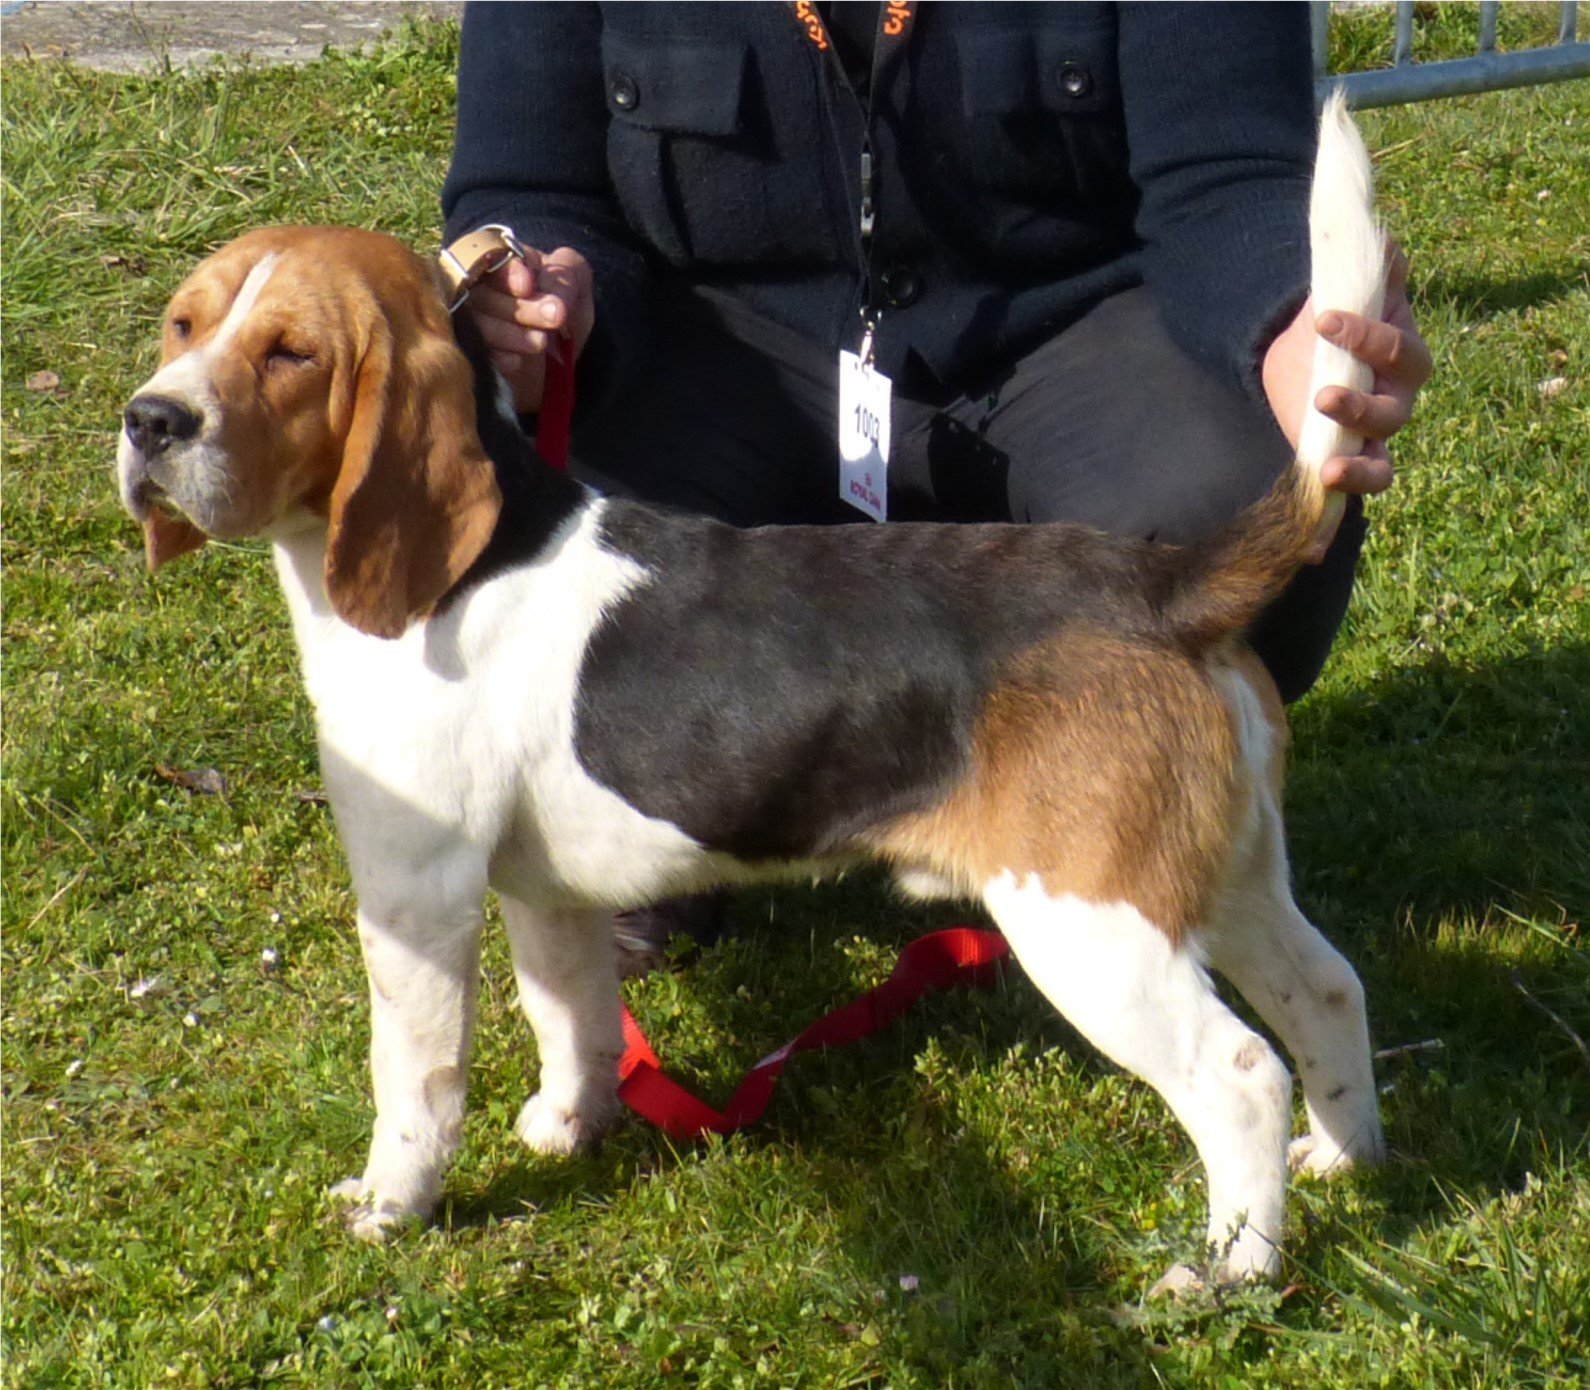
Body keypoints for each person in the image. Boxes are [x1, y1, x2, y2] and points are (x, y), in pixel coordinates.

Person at [441, 2, 1430, 969]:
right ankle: (669, 818)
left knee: (1233, 493)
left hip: (1060, 339)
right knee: (559, 535)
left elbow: (1227, 172)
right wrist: (537, 299)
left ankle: (1102, 792)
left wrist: (1288, 326)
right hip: (719, 357)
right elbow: (529, 179)